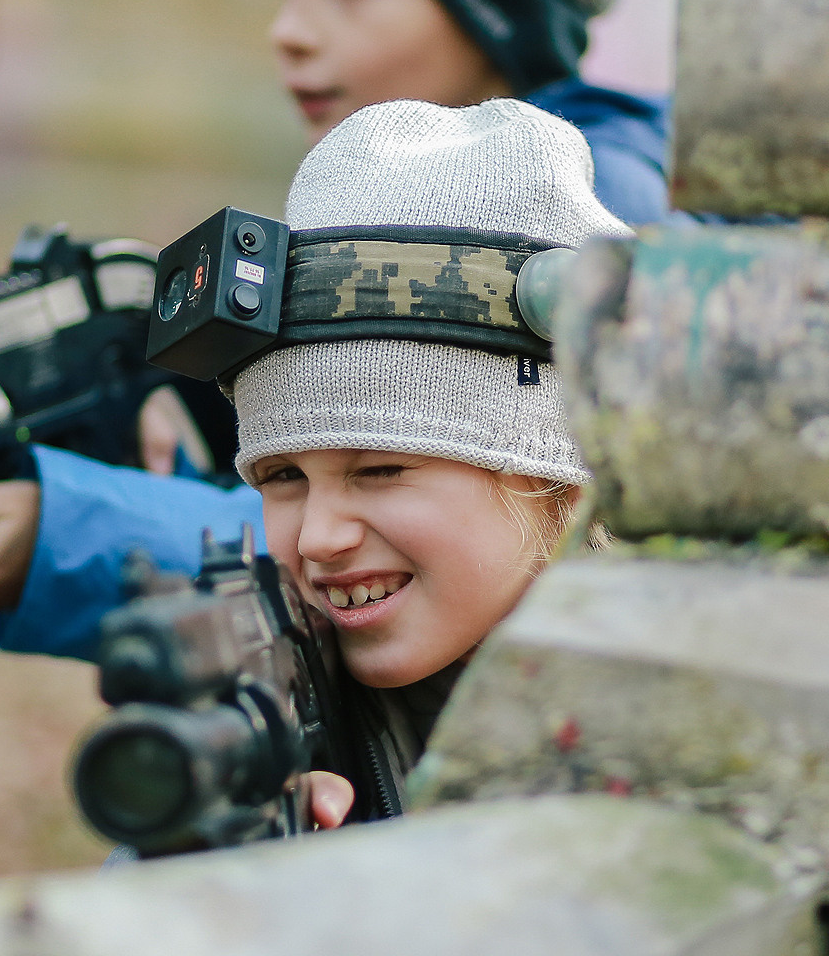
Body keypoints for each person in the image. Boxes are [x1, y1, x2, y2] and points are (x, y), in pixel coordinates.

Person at [0, 0, 661, 656]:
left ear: (501, 14)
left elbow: (494, 534)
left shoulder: (601, 214)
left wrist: (72, 532)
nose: (288, 28)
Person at [237, 95, 622, 825]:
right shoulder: (270, 728)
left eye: (379, 468)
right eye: (282, 475)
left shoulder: (695, 732)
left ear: (558, 481)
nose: (318, 537)